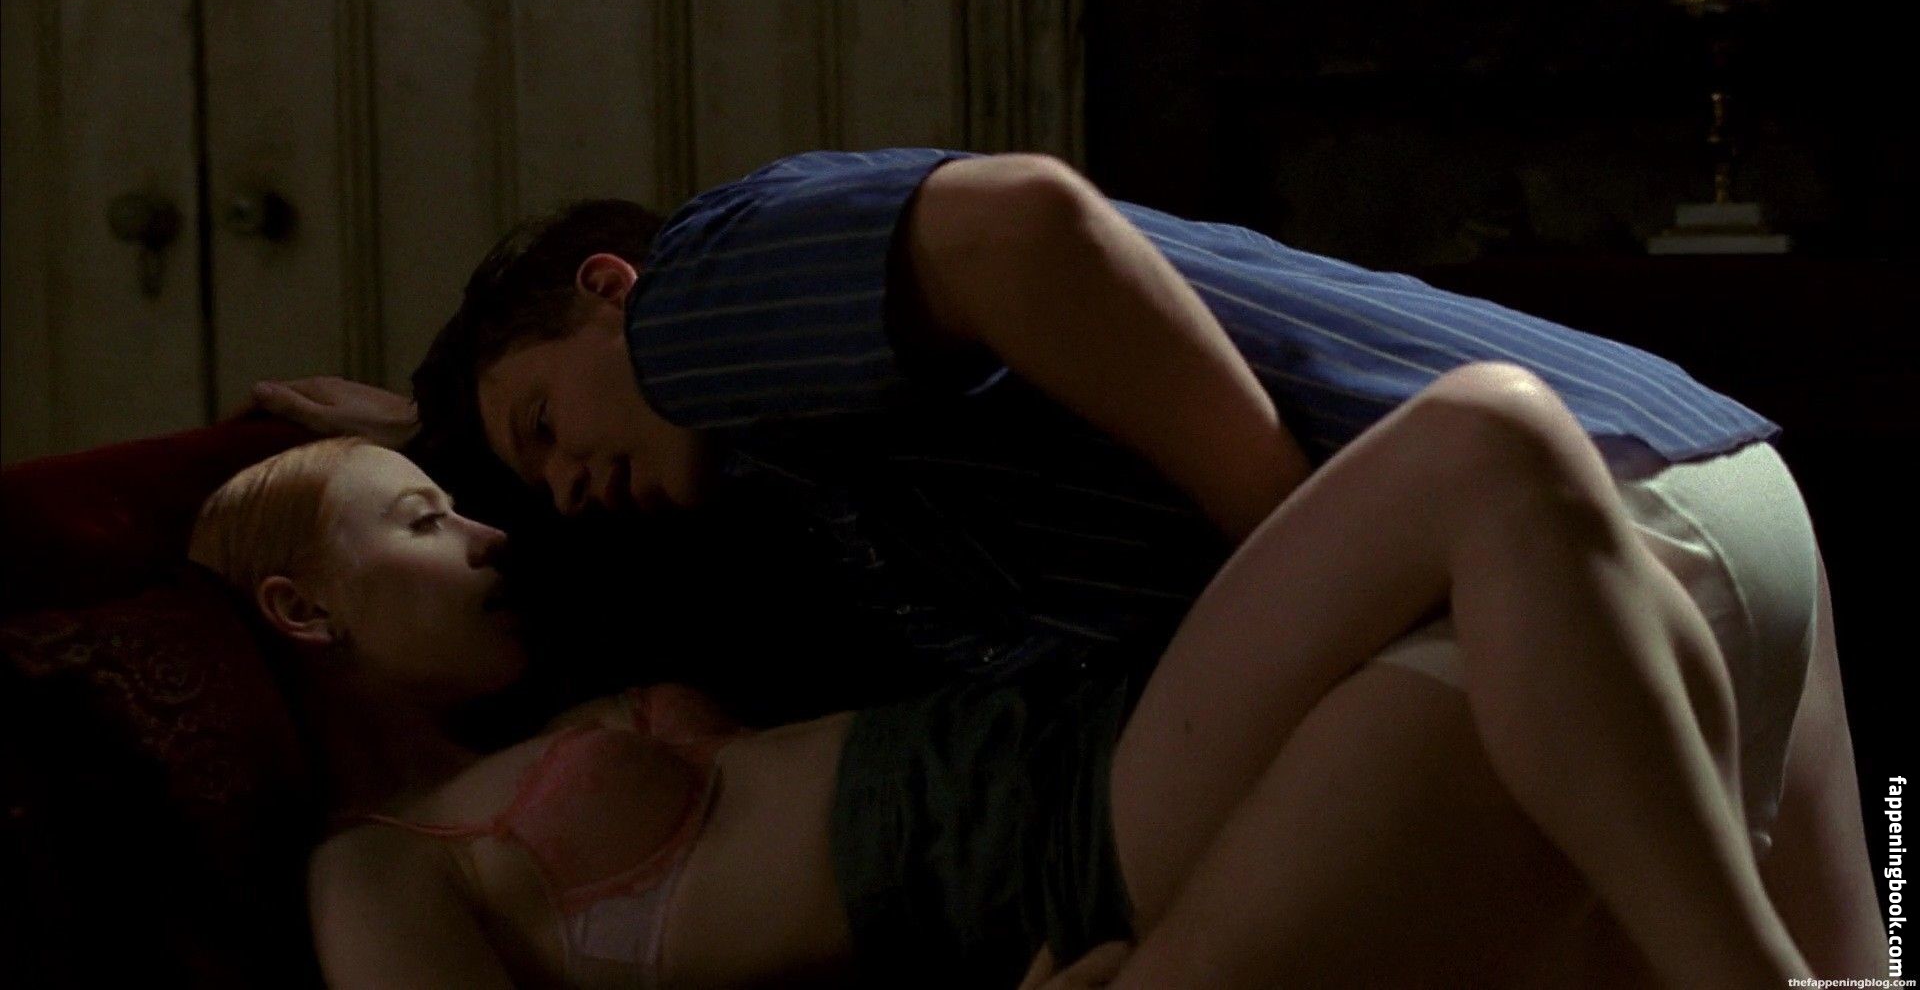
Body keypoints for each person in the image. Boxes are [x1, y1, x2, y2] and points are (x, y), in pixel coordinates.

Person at [254, 148, 1884, 980]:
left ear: (611, 288)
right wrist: (426, 435)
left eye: (539, 434)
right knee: (1833, 959)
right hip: (1703, 471)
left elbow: (1029, 219)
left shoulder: (696, 304)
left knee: (1481, 448)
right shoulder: (809, 474)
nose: (556, 491)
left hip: (1570, 518)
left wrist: (1297, 543)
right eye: (506, 489)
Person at [207, 369, 1802, 987]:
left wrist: (397, 430)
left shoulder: (546, 709)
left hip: (1082, 746)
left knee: (1618, 605)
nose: (487, 534)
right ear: (298, 612)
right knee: (1485, 439)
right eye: (425, 522)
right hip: (1068, 844)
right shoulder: (373, 873)